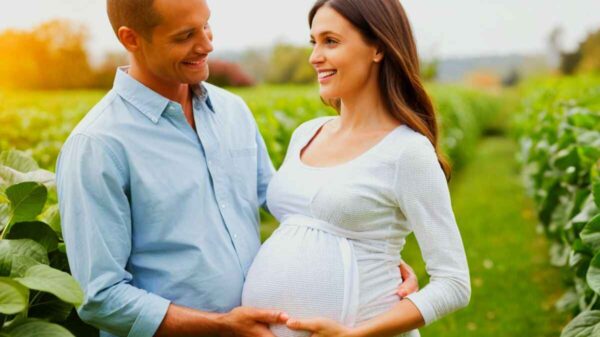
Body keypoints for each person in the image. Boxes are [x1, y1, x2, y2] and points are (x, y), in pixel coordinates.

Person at [56, 0, 418, 336]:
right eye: (185, 36)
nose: (207, 44)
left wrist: (374, 257)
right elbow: (101, 296)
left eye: (206, 26)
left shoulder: (232, 112)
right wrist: (222, 325)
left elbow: (290, 205)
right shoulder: (97, 145)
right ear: (131, 39)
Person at [241, 0, 471, 336]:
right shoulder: (307, 133)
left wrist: (354, 335)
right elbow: (314, 228)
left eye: (330, 41)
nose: (314, 56)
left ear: (377, 47)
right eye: (313, 42)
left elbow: (454, 283)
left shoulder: (407, 152)